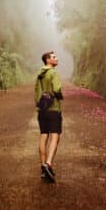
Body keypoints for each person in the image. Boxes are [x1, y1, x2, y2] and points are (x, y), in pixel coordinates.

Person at [34, 51, 63, 183]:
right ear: (47, 60)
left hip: (42, 109)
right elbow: (56, 89)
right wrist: (60, 95)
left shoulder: (39, 74)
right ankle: (48, 164)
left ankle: (43, 167)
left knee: (43, 135)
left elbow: (36, 93)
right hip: (53, 108)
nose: (56, 59)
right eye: (54, 57)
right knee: (55, 136)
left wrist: (40, 105)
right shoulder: (53, 73)